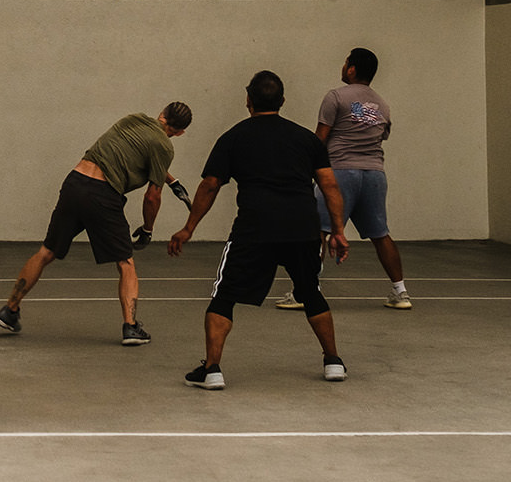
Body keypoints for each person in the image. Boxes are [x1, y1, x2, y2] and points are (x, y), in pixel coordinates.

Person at [167, 70, 350, 390]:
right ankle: (333, 361)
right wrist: (338, 230)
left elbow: (210, 185)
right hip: (303, 229)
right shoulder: (306, 139)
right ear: (282, 101)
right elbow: (329, 184)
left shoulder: (233, 137)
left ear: (248, 100)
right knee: (310, 292)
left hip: (255, 230)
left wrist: (188, 227)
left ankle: (211, 370)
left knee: (223, 296)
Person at [0, 102, 194, 345]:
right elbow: (152, 196)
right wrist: (148, 229)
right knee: (125, 262)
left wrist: (172, 180)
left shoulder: (133, 119)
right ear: (180, 132)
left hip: (75, 183)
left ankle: (9, 310)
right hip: (103, 194)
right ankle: (131, 327)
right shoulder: (165, 146)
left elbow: (139, 150)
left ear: (161, 113)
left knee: (46, 252)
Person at [277, 47, 410, 311]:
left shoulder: (335, 96)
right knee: (381, 234)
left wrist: (304, 171)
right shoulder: (382, 104)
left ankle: (305, 292)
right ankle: (401, 292)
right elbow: (379, 136)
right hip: (374, 174)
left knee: (318, 232)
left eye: (345, 62)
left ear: (351, 69)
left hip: (340, 173)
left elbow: (319, 140)